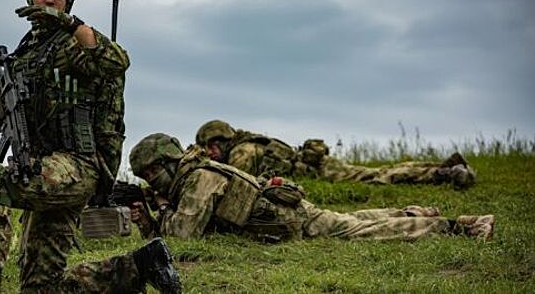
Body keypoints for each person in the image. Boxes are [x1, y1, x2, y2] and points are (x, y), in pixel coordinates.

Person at [0, 0, 181, 293]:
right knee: (40, 288)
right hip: (38, 171)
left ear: (68, 2)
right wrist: (9, 98)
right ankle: (139, 266)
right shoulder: (20, 59)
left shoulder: (72, 44)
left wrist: (70, 24)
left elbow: (116, 60)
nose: (49, 0)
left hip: (76, 169)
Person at [128, 133, 494, 243]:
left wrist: (153, 217)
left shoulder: (199, 179)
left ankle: (459, 225)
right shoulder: (198, 173)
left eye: (150, 174)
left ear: (167, 163)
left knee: (361, 231)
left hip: (292, 221)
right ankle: (416, 212)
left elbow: (183, 234)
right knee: (350, 220)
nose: (150, 182)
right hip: (290, 212)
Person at [195, 119, 476, 189]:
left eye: (212, 146)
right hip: (318, 167)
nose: (210, 153)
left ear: (222, 140)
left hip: (321, 172)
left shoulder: (242, 153)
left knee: (378, 177)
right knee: (378, 171)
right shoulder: (247, 145)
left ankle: (444, 173)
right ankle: (444, 166)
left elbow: (243, 183)